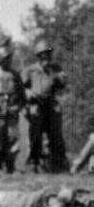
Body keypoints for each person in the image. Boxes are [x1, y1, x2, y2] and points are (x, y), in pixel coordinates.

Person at [22, 41, 67, 172]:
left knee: (55, 136)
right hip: (36, 106)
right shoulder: (30, 70)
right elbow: (22, 88)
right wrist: (28, 93)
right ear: (38, 55)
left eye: (48, 54)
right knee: (35, 136)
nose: (46, 57)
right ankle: (33, 164)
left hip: (50, 105)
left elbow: (62, 84)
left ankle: (56, 164)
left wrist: (57, 76)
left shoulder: (55, 69)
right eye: (43, 55)